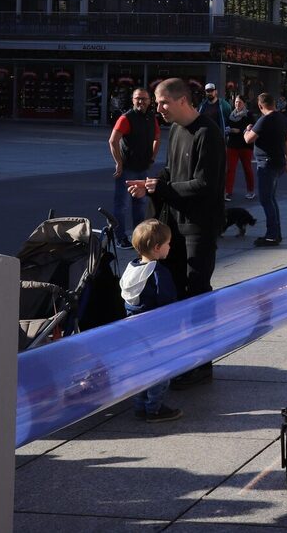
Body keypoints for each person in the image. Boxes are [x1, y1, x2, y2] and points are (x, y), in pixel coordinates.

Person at [129, 77, 225, 387]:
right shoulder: (177, 130)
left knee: (197, 292)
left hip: (198, 227)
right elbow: (171, 172)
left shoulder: (208, 133)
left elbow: (206, 185)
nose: (158, 109)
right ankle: (184, 358)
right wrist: (151, 185)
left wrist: (165, 188)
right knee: (176, 292)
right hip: (175, 226)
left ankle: (201, 363)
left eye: (163, 103)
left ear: (182, 100)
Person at [118, 219, 182, 423]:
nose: (170, 246)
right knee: (160, 371)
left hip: (134, 330)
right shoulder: (158, 273)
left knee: (141, 369)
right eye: (168, 243)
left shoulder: (131, 270)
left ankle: (140, 405)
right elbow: (167, 302)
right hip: (157, 331)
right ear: (157, 248)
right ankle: (154, 408)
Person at [108, 88, 160, 242]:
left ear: (150, 101)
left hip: (143, 168)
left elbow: (157, 138)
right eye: (137, 98)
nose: (141, 101)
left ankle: (138, 238)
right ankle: (120, 238)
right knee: (122, 205)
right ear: (132, 100)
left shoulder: (152, 117)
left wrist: (152, 157)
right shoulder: (126, 118)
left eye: (144, 99)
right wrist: (118, 162)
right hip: (127, 169)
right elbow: (113, 140)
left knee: (140, 204)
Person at [243, 92, 287, 247]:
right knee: (272, 198)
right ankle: (277, 233)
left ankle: (271, 235)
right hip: (279, 163)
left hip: (266, 163)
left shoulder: (264, 120)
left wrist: (247, 130)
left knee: (266, 200)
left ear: (260, 105)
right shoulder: (283, 119)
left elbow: (248, 139)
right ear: (274, 103)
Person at [224, 96, 257, 202]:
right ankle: (228, 191)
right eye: (236, 102)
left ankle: (251, 191)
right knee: (230, 169)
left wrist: (240, 130)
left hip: (245, 146)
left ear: (244, 103)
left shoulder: (248, 114)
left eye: (240, 102)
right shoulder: (231, 115)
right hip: (232, 145)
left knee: (247, 169)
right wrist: (228, 130)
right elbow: (227, 125)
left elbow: (252, 128)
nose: (237, 104)